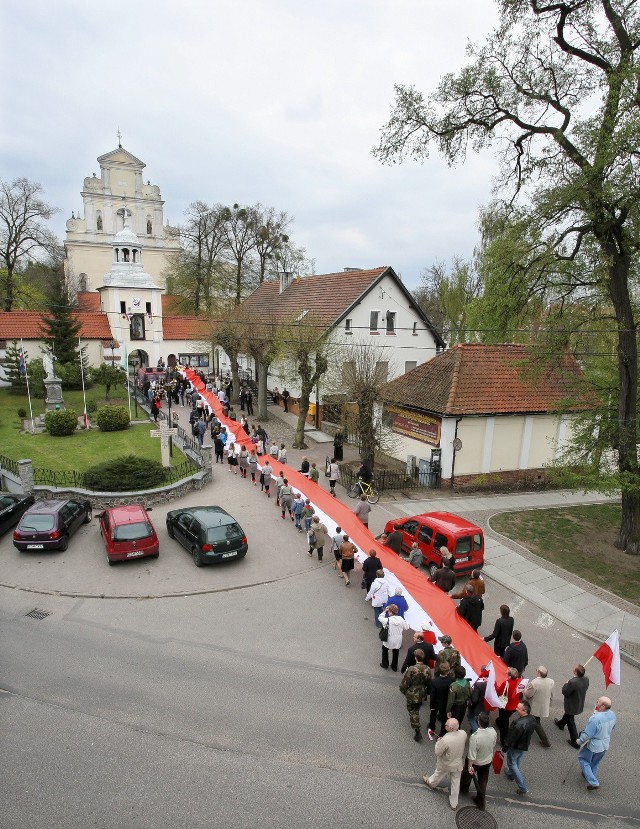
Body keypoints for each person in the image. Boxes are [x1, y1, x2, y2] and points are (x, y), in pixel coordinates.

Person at [422, 717, 468, 811]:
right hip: (457, 763)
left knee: (438, 774)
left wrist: (439, 741)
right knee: (456, 783)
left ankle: (431, 783)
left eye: (446, 724)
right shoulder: (463, 734)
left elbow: (437, 752)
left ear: (451, 729)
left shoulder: (445, 740)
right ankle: (454, 803)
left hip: (446, 764)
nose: (445, 724)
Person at [577, 696, 616, 790]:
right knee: (595, 762)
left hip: (594, 745)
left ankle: (593, 782)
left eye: (598, 702)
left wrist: (579, 740)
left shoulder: (595, 719)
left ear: (602, 706)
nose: (596, 702)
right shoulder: (612, 714)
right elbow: (613, 727)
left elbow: (587, 734)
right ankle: (590, 775)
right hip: (605, 743)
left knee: (583, 760)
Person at [459, 711, 496, 810]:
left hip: (476, 762)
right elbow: (493, 744)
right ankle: (481, 802)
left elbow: (471, 754)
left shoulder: (475, 737)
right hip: (487, 761)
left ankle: (463, 789)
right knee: (483, 782)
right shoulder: (493, 731)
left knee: (466, 775)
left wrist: (470, 766)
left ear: (478, 722)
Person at [504, 699, 536, 795]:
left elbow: (511, 738)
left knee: (512, 763)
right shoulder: (532, 719)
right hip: (524, 744)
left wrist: (505, 747)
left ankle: (523, 787)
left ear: (524, 711)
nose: (516, 709)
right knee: (517, 760)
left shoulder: (518, 724)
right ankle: (511, 774)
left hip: (516, 746)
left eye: (518, 708)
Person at [554, 664, 590, 748]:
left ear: (575, 672)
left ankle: (575, 742)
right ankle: (561, 724)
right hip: (579, 701)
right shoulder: (586, 679)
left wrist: (566, 684)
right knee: (568, 715)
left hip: (571, 704)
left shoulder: (572, 682)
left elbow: (565, 692)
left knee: (571, 721)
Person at [400, 648, 432, 742]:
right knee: (417, 708)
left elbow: (405, 682)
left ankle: (417, 730)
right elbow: (429, 681)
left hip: (412, 693)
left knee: (412, 711)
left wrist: (403, 690)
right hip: (422, 692)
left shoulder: (411, 669)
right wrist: (428, 691)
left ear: (415, 657)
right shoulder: (427, 668)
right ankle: (416, 721)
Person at [523, 666, 554, 748]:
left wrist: (525, 689)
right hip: (543, 704)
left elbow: (528, 694)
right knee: (536, 719)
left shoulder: (534, 683)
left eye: (537, 670)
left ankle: (545, 741)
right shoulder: (551, 681)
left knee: (536, 722)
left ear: (539, 673)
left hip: (534, 706)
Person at [496, 666, 523, 752]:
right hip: (515, 705)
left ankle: (504, 741)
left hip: (506, 706)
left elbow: (499, 691)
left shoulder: (506, 683)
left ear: (510, 676)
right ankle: (499, 721)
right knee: (504, 719)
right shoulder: (519, 681)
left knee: (505, 724)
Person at [428, 661, 455, 739]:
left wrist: (432, 706)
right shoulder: (451, 680)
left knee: (433, 715)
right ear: (449, 670)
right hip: (445, 702)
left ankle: (432, 727)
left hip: (436, 702)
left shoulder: (434, 681)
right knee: (444, 718)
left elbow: (432, 695)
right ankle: (442, 733)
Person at [379, 604, 409, 672]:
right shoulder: (401, 619)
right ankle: (394, 666)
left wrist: (384, 611)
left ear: (390, 612)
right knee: (396, 652)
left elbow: (380, 618)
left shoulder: (388, 620)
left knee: (385, 649)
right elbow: (406, 627)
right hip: (398, 639)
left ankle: (385, 664)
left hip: (389, 638)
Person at [467, 667, 490, 733]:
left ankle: (477, 731)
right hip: (486, 706)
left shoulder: (478, 683)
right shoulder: (492, 682)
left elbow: (474, 699)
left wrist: (471, 692)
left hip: (477, 706)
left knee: (471, 717)